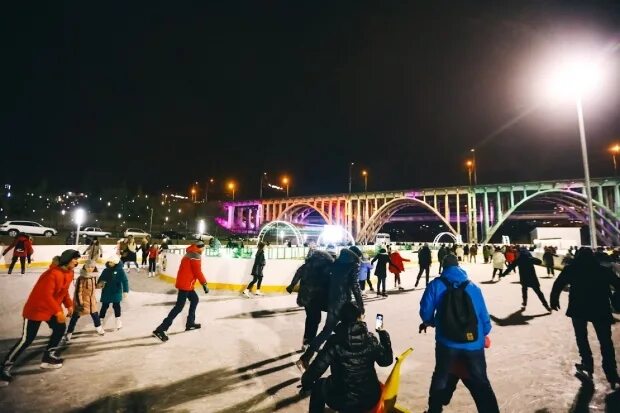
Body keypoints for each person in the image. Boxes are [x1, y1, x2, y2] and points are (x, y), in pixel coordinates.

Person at [419, 254, 499, 413]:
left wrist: (435, 323)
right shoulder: (473, 287)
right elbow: (485, 318)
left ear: (443, 267)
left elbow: (425, 312)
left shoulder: (436, 285)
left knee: (441, 376)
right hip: (473, 343)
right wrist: (482, 334)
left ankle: (434, 409)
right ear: (459, 267)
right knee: (481, 383)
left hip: (446, 343)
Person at [0, 249, 80, 385]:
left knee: (60, 328)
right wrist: (58, 312)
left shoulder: (69, 273)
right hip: (36, 309)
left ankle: (48, 358)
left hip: (51, 309)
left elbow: (64, 291)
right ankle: (4, 368)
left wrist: (69, 305)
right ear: (67, 259)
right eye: (74, 259)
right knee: (27, 339)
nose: (77, 262)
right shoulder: (51, 274)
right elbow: (45, 296)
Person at [301, 302, 393, 413]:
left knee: (319, 385)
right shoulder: (370, 339)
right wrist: (382, 333)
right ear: (359, 317)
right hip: (370, 397)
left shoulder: (334, 342)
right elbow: (386, 361)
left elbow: (316, 370)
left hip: (343, 400)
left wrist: (306, 384)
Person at [549, 247, 620, 388]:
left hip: (578, 308)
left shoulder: (571, 269)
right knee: (605, 341)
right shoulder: (603, 270)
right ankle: (611, 371)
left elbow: (558, 284)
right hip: (600, 308)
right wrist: (615, 300)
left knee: (581, 337)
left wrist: (554, 299)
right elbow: (618, 285)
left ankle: (587, 363)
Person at [298, 246, 364, 370]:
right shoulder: (353, 265)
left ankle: (306, 357)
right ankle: (347, 362)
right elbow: (355, 286)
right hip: (344, 303)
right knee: (351, 329)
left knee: (327, 330)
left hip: (332, 302)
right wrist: (361, 306)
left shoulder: (336, 263)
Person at [153, 241, 209, 342]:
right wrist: (204, 284)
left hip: (186, 283)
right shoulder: (195, 256)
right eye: (203, 248)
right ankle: (161, 329)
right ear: (200, 248)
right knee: (179, 307)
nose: (204, 250)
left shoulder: (190, 253)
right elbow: (198, 272)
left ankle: (190, 323)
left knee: (194, 299)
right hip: (185, 285)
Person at [286, 249, 334, 351]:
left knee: (311, 318)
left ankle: (307, 341)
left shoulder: (307, 265)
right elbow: (331, 280)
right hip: (317, 297)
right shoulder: (326, 266)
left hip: (306, 297)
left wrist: (291, 285)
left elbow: (298, 274)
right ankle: (310, 342)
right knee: (315, 319)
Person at [63, 260, 105, 343]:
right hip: (81, 301)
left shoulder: (94, 277)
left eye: (92, 267)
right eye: (88, 267)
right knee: (75, 317)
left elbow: (94, 287)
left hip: (91, 301)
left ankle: (99, 328)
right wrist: (79, 303)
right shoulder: (81, 278)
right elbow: (78, 291)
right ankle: (69, 332)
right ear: (85, 267)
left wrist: (100, 285)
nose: (90, 269)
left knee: (95, 315)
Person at [500, 248, 551, 312]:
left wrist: (503, 274)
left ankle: (525, 302)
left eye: (517, 253)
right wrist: (531, 258)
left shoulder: (519, 260)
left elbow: (510, 267)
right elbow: (539, 261)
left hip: (524, 279)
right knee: (538, 292)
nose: (516, 254)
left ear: (520, 253)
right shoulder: (527, 258)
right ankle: (546, 306)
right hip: (532, 279)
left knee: (525, 290)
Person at [97, 256, 129, 330]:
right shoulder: (106, 270)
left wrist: (125, 291)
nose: (110, 263)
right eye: (109, 262)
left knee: (116, 305)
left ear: (116, 263)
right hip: (107, 291)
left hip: (116, 291)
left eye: (112, 262)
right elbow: (101, 279)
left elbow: (125, 281)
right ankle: (101, 319)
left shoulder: (120, 271)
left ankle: (118, 320)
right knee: (104, 306)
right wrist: (99, 283)